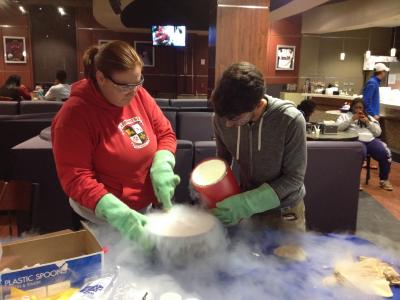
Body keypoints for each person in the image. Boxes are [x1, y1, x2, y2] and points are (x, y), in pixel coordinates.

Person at [51, 41, 180, 249]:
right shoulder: (74, 115)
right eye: (125, 86)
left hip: (141, 208)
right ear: (101, 78)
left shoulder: (139, 95)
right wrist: (114, 211)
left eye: (138, 82)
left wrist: (162, 164)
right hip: (101, 220)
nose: (134, 92)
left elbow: (165, 133)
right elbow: (76, 177)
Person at [210, 62, 307, 231]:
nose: (228, 125)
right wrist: (214, 194)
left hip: (285, 210)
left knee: (287, 257)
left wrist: (247, 203)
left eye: (234, 118)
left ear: (258, 105)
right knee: (249, 256)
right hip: (247, 208)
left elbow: (294, 179)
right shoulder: (222, 117)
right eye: (224, 117)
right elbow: (223, 161)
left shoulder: (290, 120)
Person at [336, 98, 393, 191]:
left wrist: (368, 123)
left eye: (360, 108)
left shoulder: (369, 117)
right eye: (356, 107)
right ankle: (355, 180)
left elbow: (378, 133)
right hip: (356, 139)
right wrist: (352, 119)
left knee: (385, 152)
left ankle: (384, 180)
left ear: (363, 108)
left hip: (370, 140)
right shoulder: (345, 116)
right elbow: (338, 128)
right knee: (360, 152)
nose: (358, 110)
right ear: (352, 108)